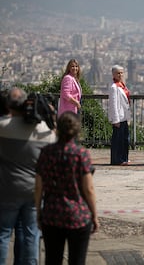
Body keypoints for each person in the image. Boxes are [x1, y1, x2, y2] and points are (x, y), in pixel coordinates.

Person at [0, 87, 57, 265]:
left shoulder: (2, 127)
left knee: (3, 234)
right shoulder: (44, 132)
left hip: (7, 189)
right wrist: (52, 118)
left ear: (8, 105)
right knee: (32, 233)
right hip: (34, 190)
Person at [35, 111, 99, 265]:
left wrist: (38, 211)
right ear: (77, 131)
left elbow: (38, 186)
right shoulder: (81, 154)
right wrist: (94, 214)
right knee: (77, 260)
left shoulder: (46, 153)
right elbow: (88, 188)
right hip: (78, 215)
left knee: (52, 259)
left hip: (52, 214)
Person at [108, 65, 131, 166]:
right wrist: (116, 120)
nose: (120, 74)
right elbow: (113, 104)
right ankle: (117, 159)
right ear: (113, 74)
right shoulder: (114, 87)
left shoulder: (122, 85)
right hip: (119, 117)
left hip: (124, 116)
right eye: (118, 73)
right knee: (118, 140)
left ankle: (124, 158)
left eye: (121, 72)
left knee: (125, 139)